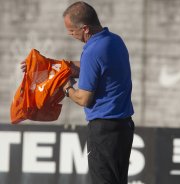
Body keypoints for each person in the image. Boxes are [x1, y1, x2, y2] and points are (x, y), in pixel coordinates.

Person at [22, 1, 135, 184]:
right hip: (123, 127)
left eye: (72, 31)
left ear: (85, 29)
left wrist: (66, 87)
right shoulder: (114, 40)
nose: (71, 35)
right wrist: (44, 66)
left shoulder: (92, 50)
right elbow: (91, 68)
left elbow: (84, 99)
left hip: (103, 130)